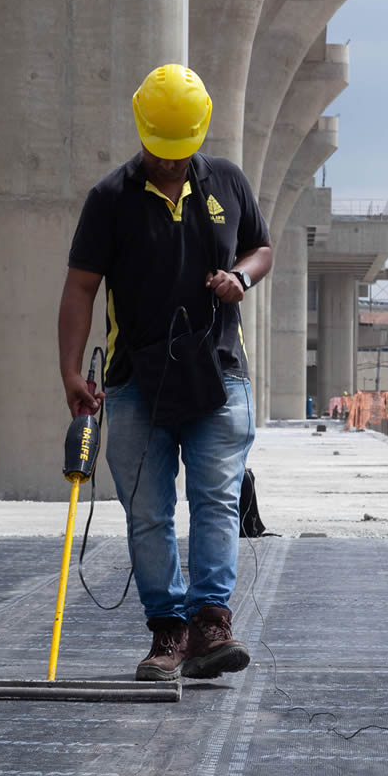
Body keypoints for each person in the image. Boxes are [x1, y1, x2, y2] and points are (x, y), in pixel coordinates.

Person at [58, 64, 273, 682]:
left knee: (215, 502)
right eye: (161, 152)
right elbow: (80, 288)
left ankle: (211, 623)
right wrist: (71, 371)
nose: (171, 164)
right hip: (133, 383)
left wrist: (242, 278)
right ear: (142, 132)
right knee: (148, 511)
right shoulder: (110, 200)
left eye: (182, 153)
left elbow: (261, 247)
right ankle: (169, 631)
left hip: (219, 375)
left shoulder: (227, 182)